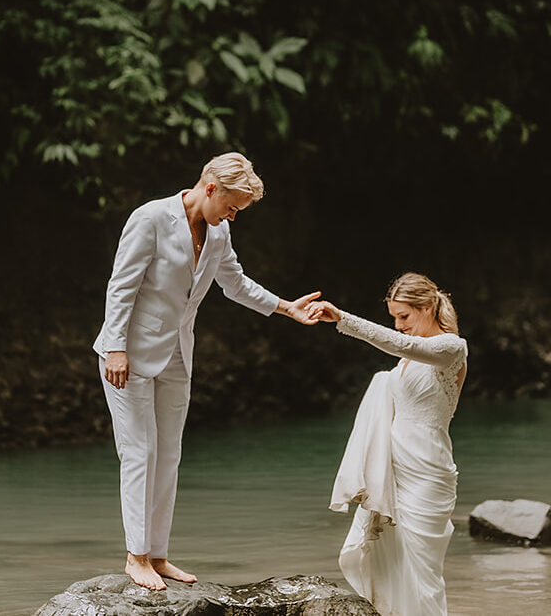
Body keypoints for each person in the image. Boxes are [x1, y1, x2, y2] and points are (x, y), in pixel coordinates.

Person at [92, 152, 320, 591]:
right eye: (232, 206)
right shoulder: (151, 218)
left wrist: (285, 308)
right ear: (210, 187)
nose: (234, 215)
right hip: (129, 354)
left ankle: (157, 555)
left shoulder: (219, 232)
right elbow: (121, 286)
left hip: (178, 352)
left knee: (169, 455)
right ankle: (134, 556)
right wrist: (116, 348)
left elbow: (234, 283)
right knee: (139, 452)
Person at [310, 273, 467, 616]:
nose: (398, 326)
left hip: (428, 469)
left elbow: (404, 346)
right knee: (391, 562)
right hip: (393, 468)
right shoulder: (406, 360)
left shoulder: (451, 347)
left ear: (427, 307)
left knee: (424, 570)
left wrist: (343, 319)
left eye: (404, 316)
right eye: (394, 317)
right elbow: (403, 352)